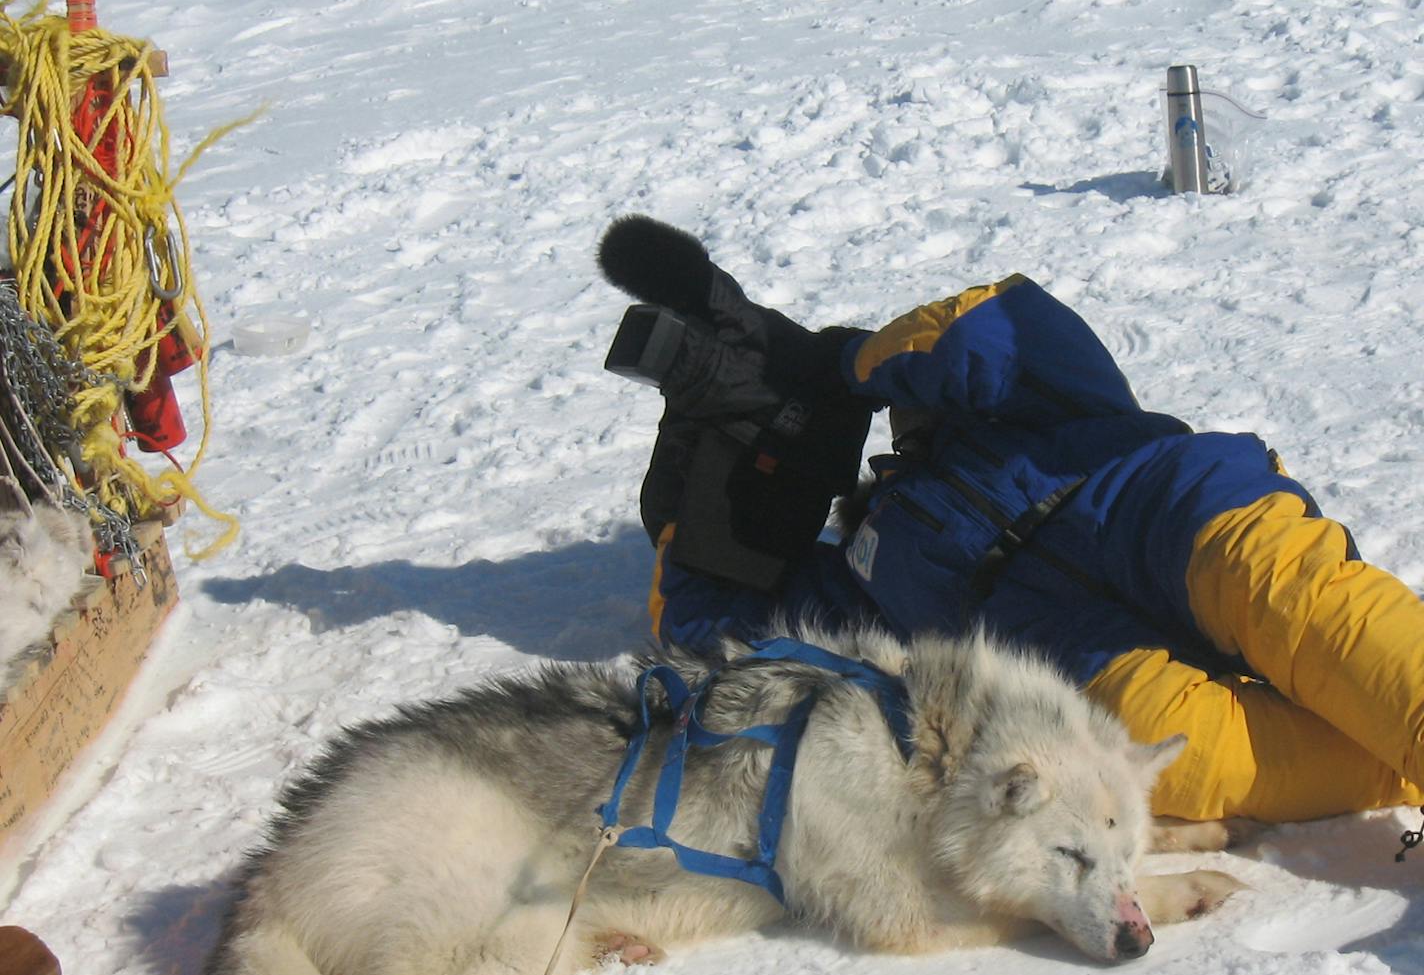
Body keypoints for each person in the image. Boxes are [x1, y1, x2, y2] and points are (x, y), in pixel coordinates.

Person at [597, 216, 1424, 825]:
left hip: (1162, 508)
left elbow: (996, 323)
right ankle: (1404, 772)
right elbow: (717, 624)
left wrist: (839, 365)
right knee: (1183, 759)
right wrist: (704, 451)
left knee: (1309, 610)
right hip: (1070, 653)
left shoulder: (1029, 403)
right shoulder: (865, 575)